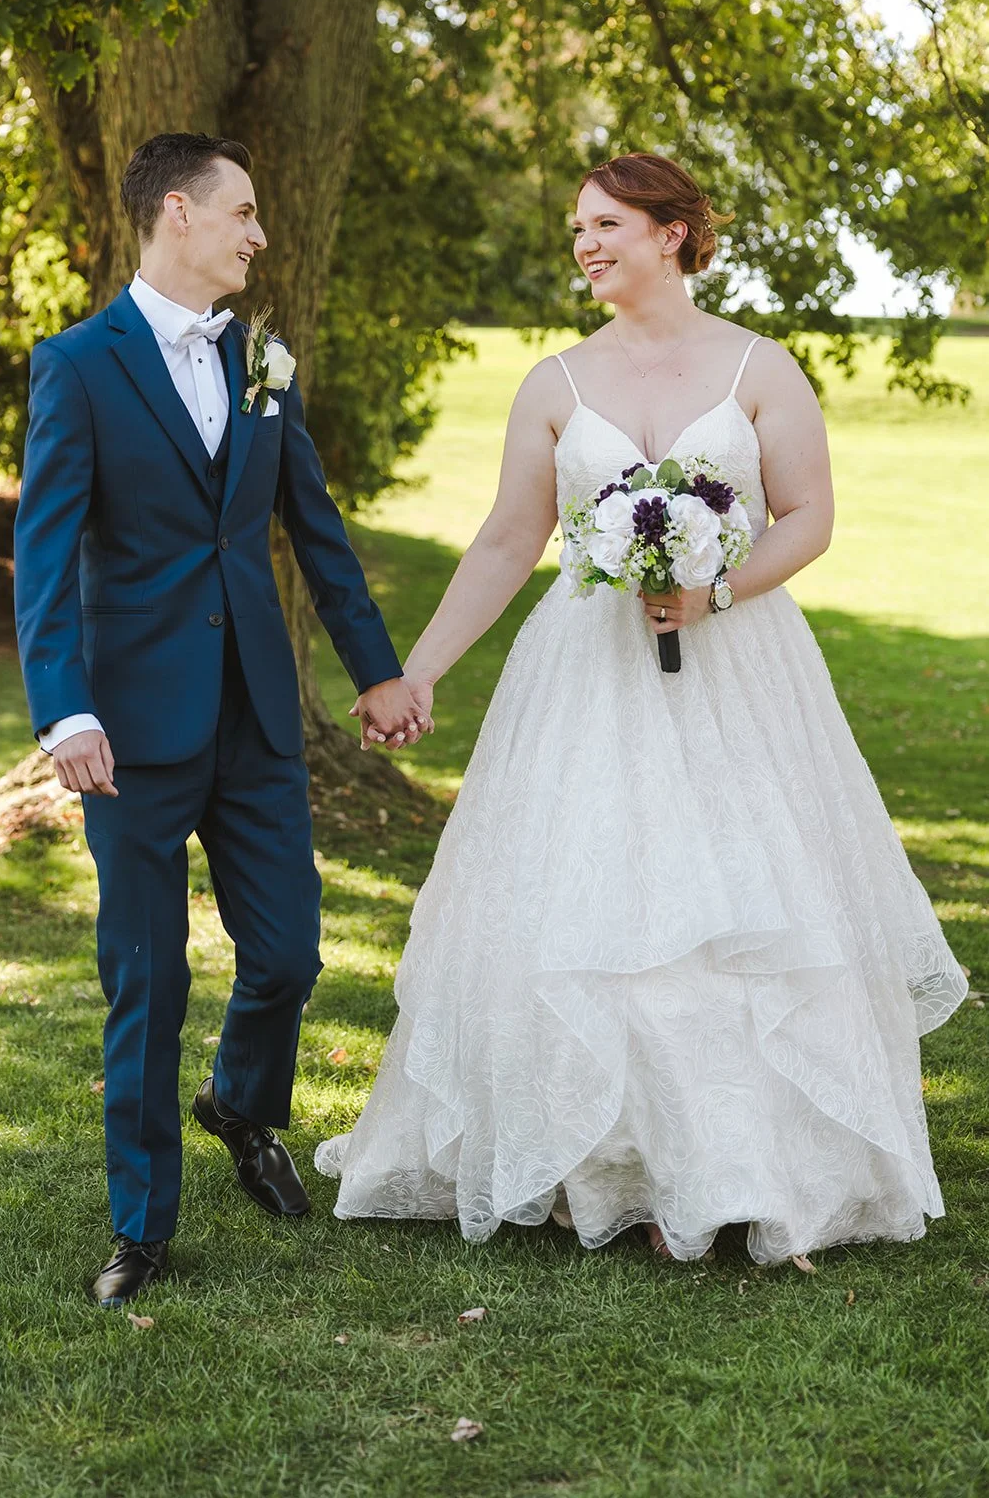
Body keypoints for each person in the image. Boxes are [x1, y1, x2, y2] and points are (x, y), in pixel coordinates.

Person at [318, 152, 968, 1263]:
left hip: (738, 668)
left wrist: (715, 591)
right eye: (576, 228)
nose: (584, 244)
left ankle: (729, 1171)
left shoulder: (758, 367)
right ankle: (595, 1166)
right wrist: (418, 671)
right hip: (585, 675)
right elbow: (508, 540)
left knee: (736, 907)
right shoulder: (554, 384)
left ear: (672, 233)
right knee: (590, 902)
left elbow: (808, 515)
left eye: (606, 224)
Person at [14, 131, 428, 1307]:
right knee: (147, 982)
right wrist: (65, 713)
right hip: (130, 728)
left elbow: (316, 527)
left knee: (288, 953)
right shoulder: (76, 366)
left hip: (255, 713)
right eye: (242, 212)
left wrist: (375, 670)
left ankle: (240, 1105)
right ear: (178, 214)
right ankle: (142, 1227)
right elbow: (43, 556)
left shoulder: (262, 361)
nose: (259, 233)